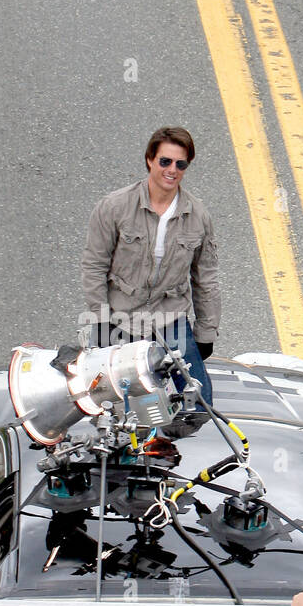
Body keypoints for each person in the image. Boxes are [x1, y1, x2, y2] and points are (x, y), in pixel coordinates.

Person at [81, 127, 220, 406]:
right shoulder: (114, 207)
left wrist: (206, 333)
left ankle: (169, 448)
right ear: (149, 160)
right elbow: (94, 266)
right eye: (165, 161)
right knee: (110, 402)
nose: (172, 170)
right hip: (119, 319)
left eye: (181, 164)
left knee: (200, 402)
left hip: (170, 320)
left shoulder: (198, 216)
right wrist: (101, 319)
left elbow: (206, 279)